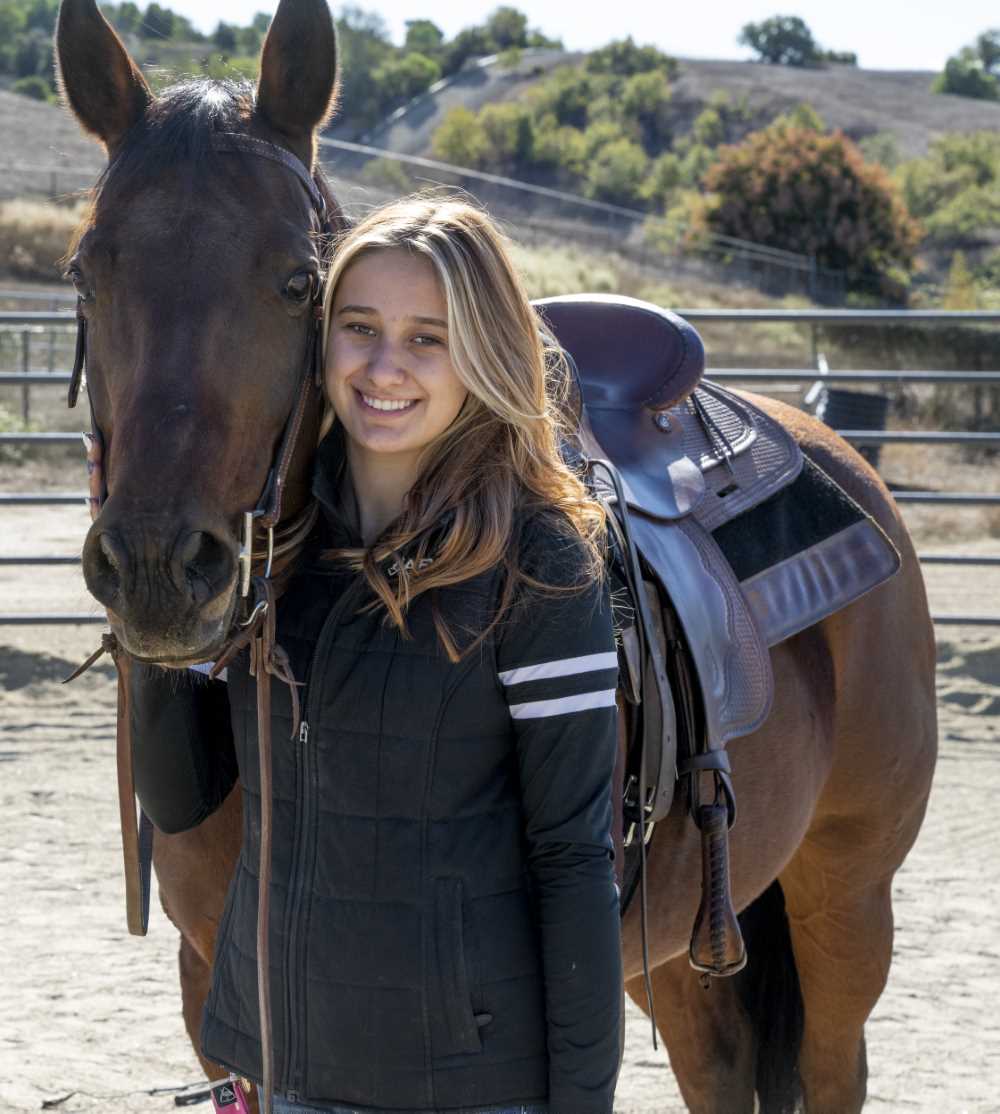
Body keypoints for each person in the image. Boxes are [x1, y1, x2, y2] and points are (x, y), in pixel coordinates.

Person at [129, 196, 624, 1114]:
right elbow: (181, 796)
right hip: (276, 1062)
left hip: (464, 1083)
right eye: (359, 328)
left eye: (427, 339)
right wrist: (152, 606)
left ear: (484, 353)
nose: (384, 366)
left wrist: (583, 1104)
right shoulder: (276, 548)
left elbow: (573, 857)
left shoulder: (540, 565)